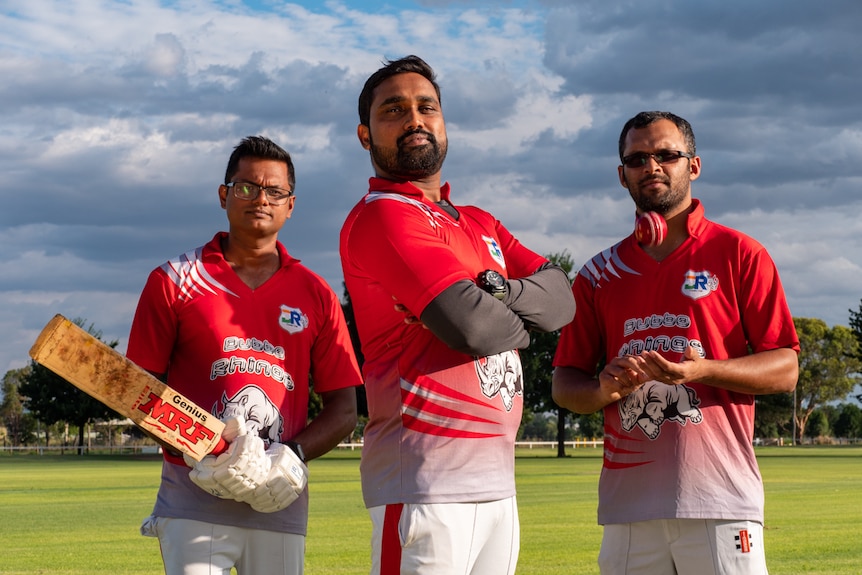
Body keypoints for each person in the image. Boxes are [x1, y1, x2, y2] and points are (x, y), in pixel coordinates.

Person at [339, 55, 576, 575]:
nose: (415, 120)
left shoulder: (478, 221)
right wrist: (523, 326)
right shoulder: (383, 215)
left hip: (498, 484)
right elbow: (473, 328)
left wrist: (492, 291)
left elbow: (562, 299)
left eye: (427, 107)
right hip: (423, 483)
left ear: (444, 122)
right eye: (394, 110)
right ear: (365, 135)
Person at [552, 111, 800, 575]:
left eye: (667, 154)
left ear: (694, 164)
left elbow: (786, 368)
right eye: (637, 158)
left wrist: (702, 371)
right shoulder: (595, 275)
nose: (652, 166)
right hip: (628, 509)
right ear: (621, 173)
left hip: (720, 500)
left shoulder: (740, 253)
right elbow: (565, 384)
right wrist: (602, 390)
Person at [127, 135, 362, 575]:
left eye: (275, 191)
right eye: (246, 187)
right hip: (193, 500)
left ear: (291, 205)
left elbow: (344, 408)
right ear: (224, 195)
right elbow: (140, 392)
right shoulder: (174, 280)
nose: (260, 199)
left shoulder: (316, 294)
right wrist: (204, 452)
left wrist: (288, 455)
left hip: (277, 502)